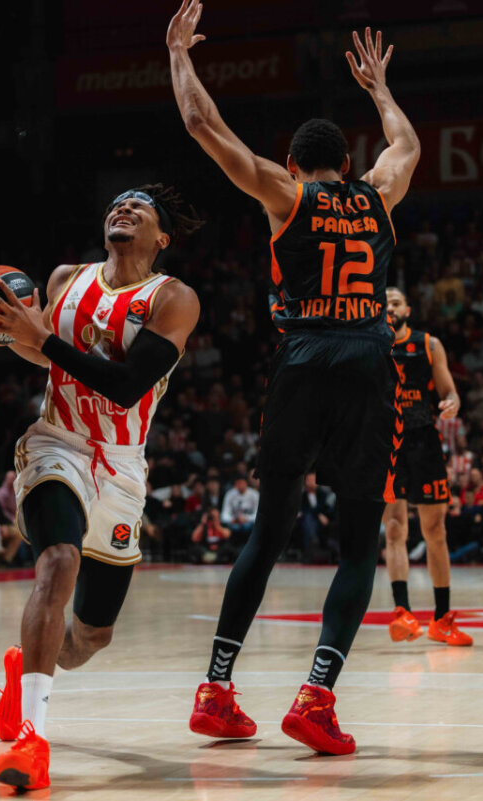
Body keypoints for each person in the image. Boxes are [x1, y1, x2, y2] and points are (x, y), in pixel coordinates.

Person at [169, 3, 419, 755]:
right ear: (348, 165)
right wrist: (378, 89)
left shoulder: (287, 195)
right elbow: (406, 144)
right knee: (356, 543)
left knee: (269, 532)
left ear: (296, 160)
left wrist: (179, 52)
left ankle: (215, 689)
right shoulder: (377, 195)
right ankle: (315, 696)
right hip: (369, 362)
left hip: (303, 360)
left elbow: (202, 126)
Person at [0, 182, 203, 790]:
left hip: (124, 464)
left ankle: (30, 660)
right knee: (57, 561)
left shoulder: (173, 299)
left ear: (162, 239)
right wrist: (2, 330)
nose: (122, 209)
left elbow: (127, 386)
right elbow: (43, 358)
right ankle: (31, 738)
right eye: (116, 204)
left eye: (140, 208)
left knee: (92, 636)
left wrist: (43, 338)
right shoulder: (62, 280)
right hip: (57, 441)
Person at [382, 288, 472, 647]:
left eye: (396, 302)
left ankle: (441, 619)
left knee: (435, 531)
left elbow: (450, 392)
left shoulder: (429, 344)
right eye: (384, 301)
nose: (389, 306)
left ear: (408, 309)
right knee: (393, 528)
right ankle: (402, 613)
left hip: (423, 441)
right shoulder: (371, 343)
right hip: (388, 443)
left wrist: (451, 403)